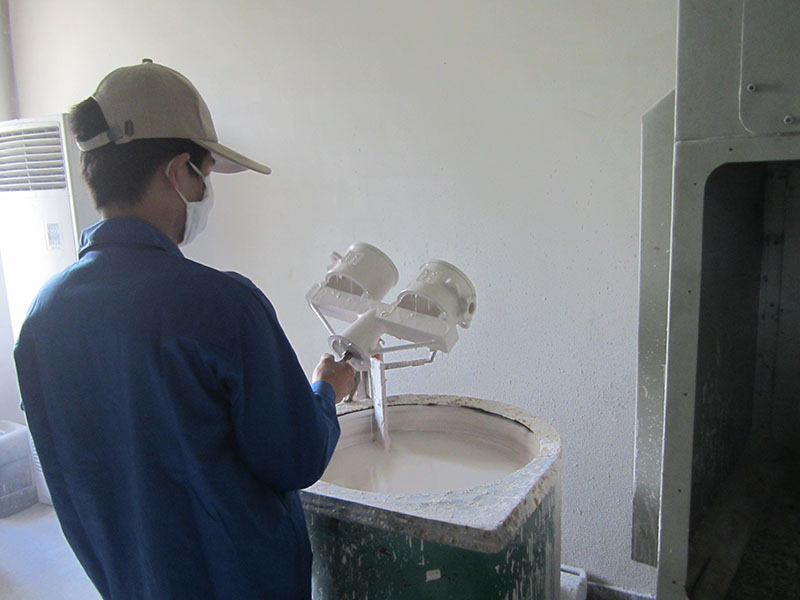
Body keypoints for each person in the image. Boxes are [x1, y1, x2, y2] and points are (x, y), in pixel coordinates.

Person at [13, 60, 354, 600]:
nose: (207, 191)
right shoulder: (223, 306)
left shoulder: (42, 317)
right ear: (178, 172)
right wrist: (328, 389)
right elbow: (296, 457)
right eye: (206, 174)